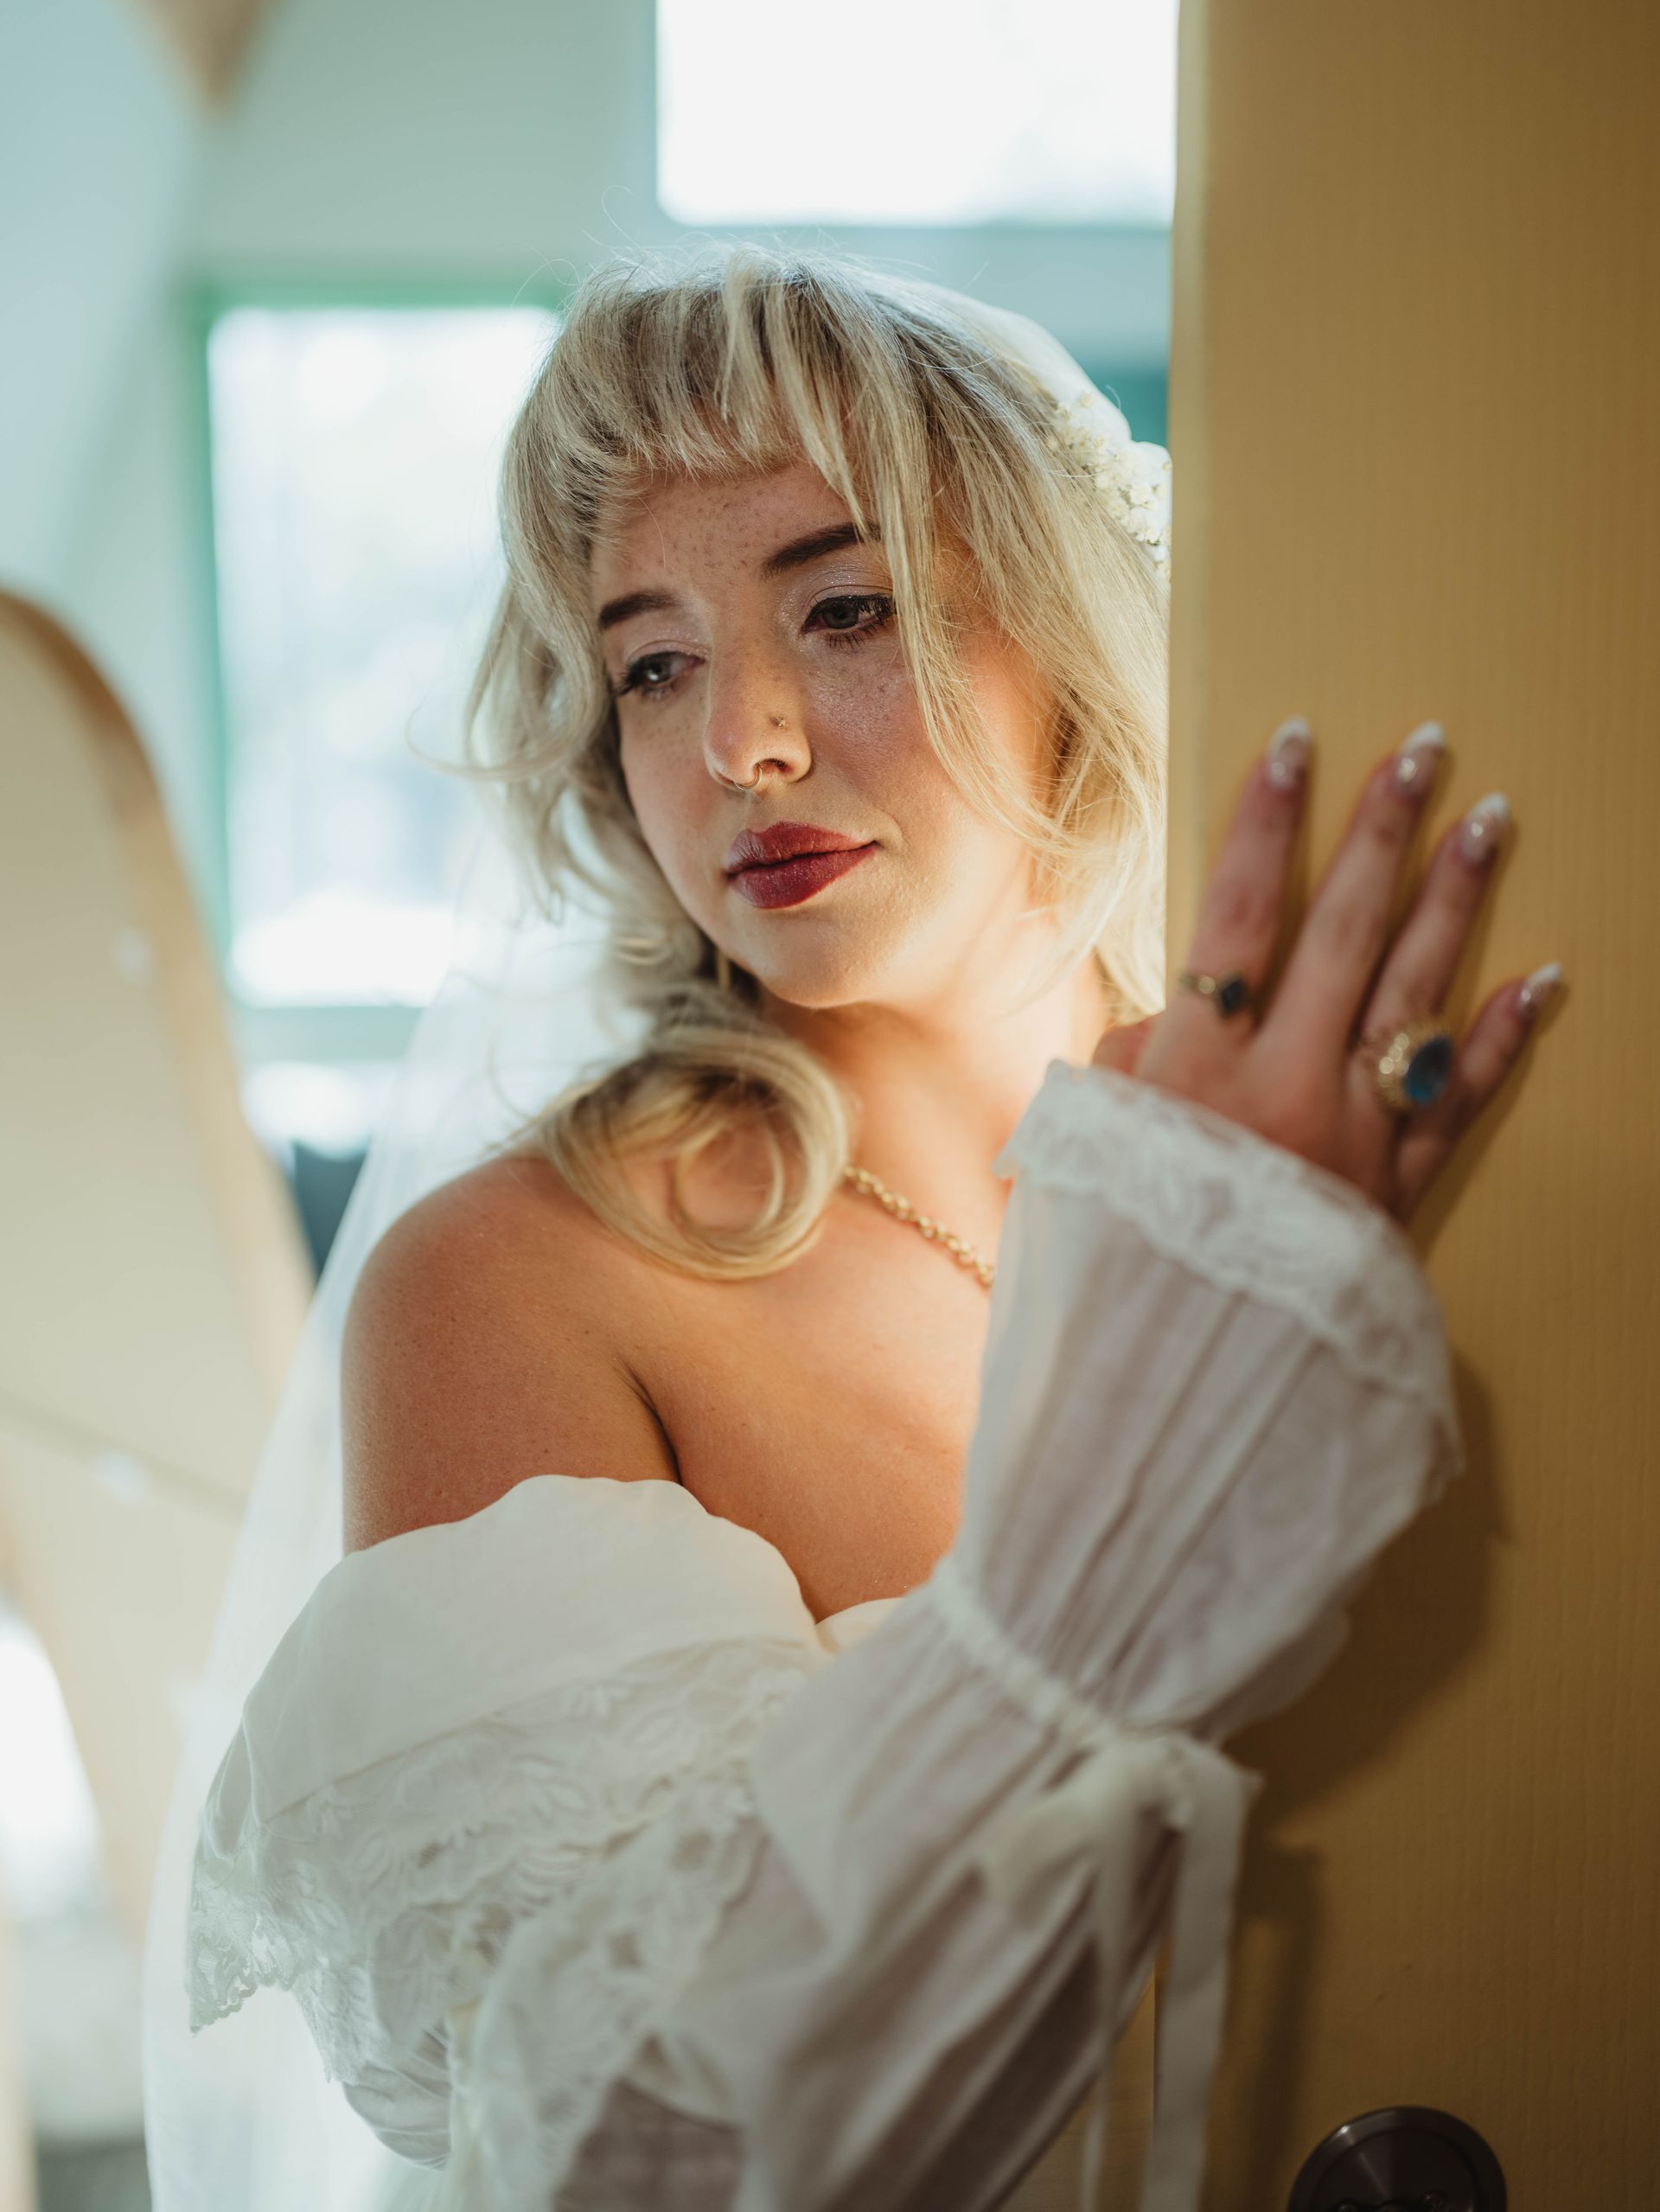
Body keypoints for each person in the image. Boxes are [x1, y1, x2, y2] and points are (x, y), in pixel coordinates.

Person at [144, 249, 1564, 2212]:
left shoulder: (1312, 1151)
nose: (745, 740)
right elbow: (634, 2160)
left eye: (848, 605)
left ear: (1071, 642)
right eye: (650, 661)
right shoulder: (515, 1281)